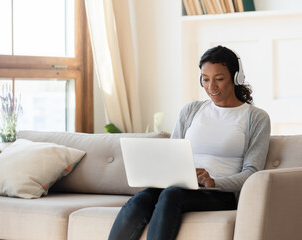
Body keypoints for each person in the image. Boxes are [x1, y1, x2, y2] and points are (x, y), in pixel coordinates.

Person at [108, 45, 271, 240]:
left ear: (236, 78)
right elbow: (171, 154)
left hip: (221, 194)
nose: (211, 87)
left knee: (171, 195)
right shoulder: (192, 110)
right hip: (183, 187)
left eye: (219, 79)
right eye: (205, 79)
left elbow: (252, 174)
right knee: (143, 198)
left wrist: (213, 182)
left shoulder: (256, 117)